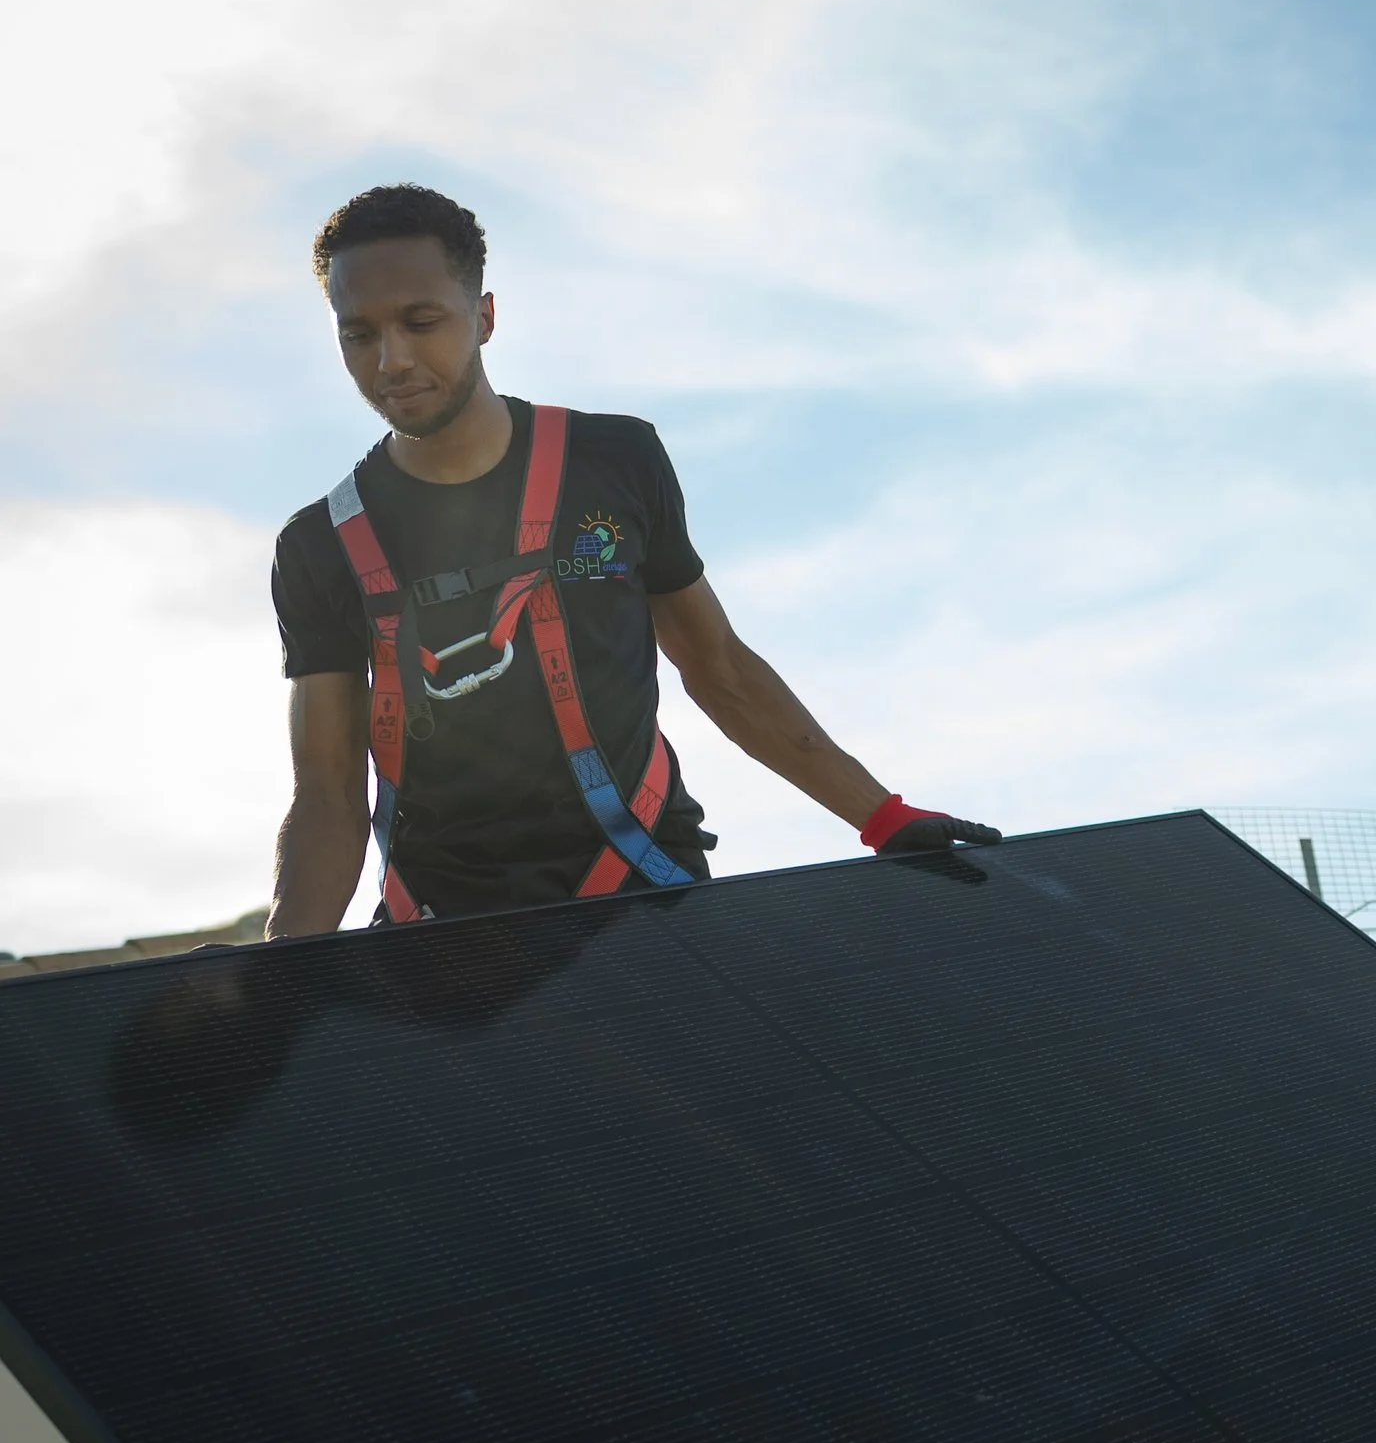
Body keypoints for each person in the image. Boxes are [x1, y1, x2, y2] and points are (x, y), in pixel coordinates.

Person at [267, 184, 997, 933]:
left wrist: (881, 816)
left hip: (649, 909)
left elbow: (719, 668)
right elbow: (327, 796)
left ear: (484, 316)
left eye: (422, 322)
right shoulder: (316, 546)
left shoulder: (615, 461)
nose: (392, 360)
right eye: (358, 335)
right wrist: (275, 981)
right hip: (447, 951)